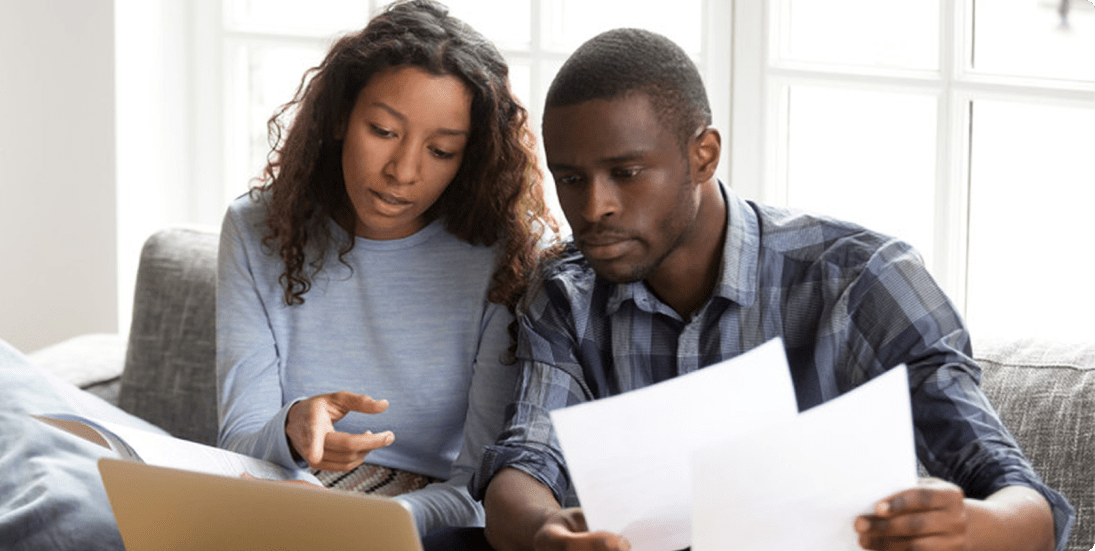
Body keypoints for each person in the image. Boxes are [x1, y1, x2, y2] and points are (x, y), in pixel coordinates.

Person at [469, 28, 1074, 551]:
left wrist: (978, 528)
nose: (594, 206)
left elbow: (1024, 503)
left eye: (626, 174)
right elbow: (525, 462)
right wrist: (545, 530)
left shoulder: (863, 280)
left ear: (703, 155)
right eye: (571, 178)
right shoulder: (566, 293)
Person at [215, 0, 555, 543]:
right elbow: (236, 445)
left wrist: (374, 521)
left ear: (470, 158)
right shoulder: (256, 229)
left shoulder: (505, 255)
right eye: (383, 130)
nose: (403, 172)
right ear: (339, 119)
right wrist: (291, 427)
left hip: (427, 525)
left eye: (441, 150)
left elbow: (484, 489)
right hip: (283, 500)